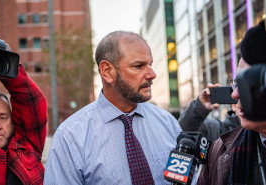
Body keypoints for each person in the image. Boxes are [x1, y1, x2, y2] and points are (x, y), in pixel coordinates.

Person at [44, 31, 182, 184]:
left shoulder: (168, 123)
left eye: (150, 65)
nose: (152, 74)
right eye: (138, 66)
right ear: (107, 71)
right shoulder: (70, 137)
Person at [196, 57, 266, 185]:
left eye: (247, 82)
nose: (234, 95)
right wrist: (198, 108)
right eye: (236, 83)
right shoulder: (219, 149)